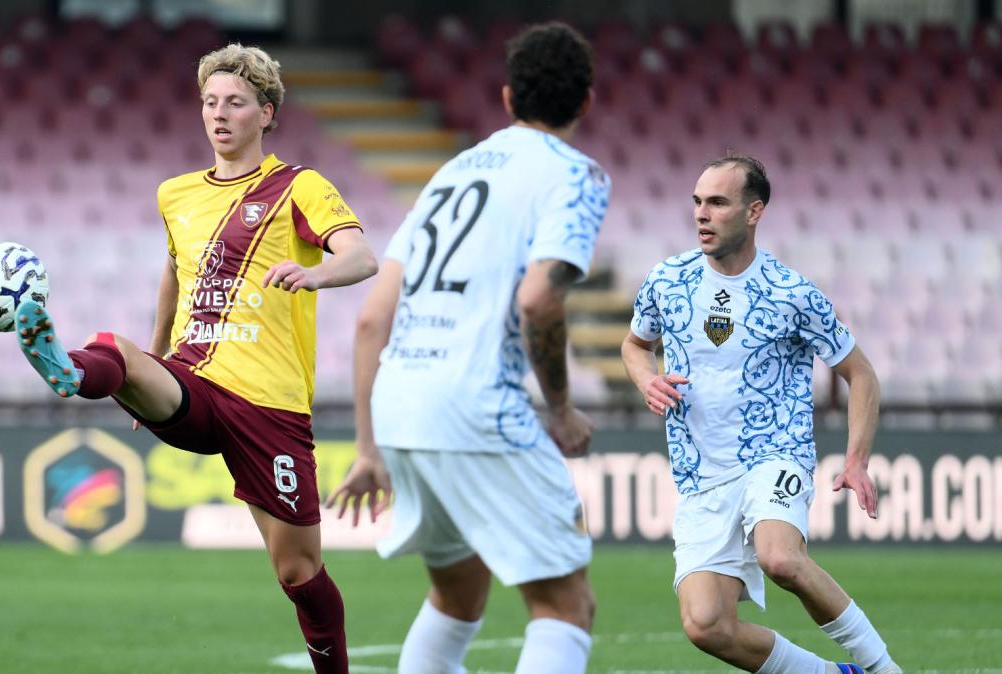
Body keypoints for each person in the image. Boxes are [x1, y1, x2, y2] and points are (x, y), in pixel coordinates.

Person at [15, 44, 376, 673]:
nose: (219, 113)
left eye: (235, 102)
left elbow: (361, 257)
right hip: (192, 382)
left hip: (270, 405)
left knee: (299, 572)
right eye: (210, 102)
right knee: (114, 350)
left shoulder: (300, 187)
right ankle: (71, 370)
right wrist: (146, 366)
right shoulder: (175, 194)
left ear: (266, 113)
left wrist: (317, 275)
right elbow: (174, 278)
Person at [327, 23, 607, 674]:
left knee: (457, 595)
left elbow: (371, 319)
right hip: (477, 404)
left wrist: (368, 448)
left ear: (507, 99)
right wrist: (561, 410)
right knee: (566, 605)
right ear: (587, 103)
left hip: (402, 407)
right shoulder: (576, 174)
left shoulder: (449, 176)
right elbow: (539, 299)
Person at [619, 154, 902, 674]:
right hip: (701, 474)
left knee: (780, 558)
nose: (702, 214)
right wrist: (646, 379)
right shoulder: (667, 280)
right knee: (706, 625)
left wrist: (856, 459)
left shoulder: (791, 293)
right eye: (698, 202)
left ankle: (885, 669)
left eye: (718, 203)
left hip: (775, 451)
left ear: (754, 212)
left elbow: (861, 374)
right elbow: (635, 345)